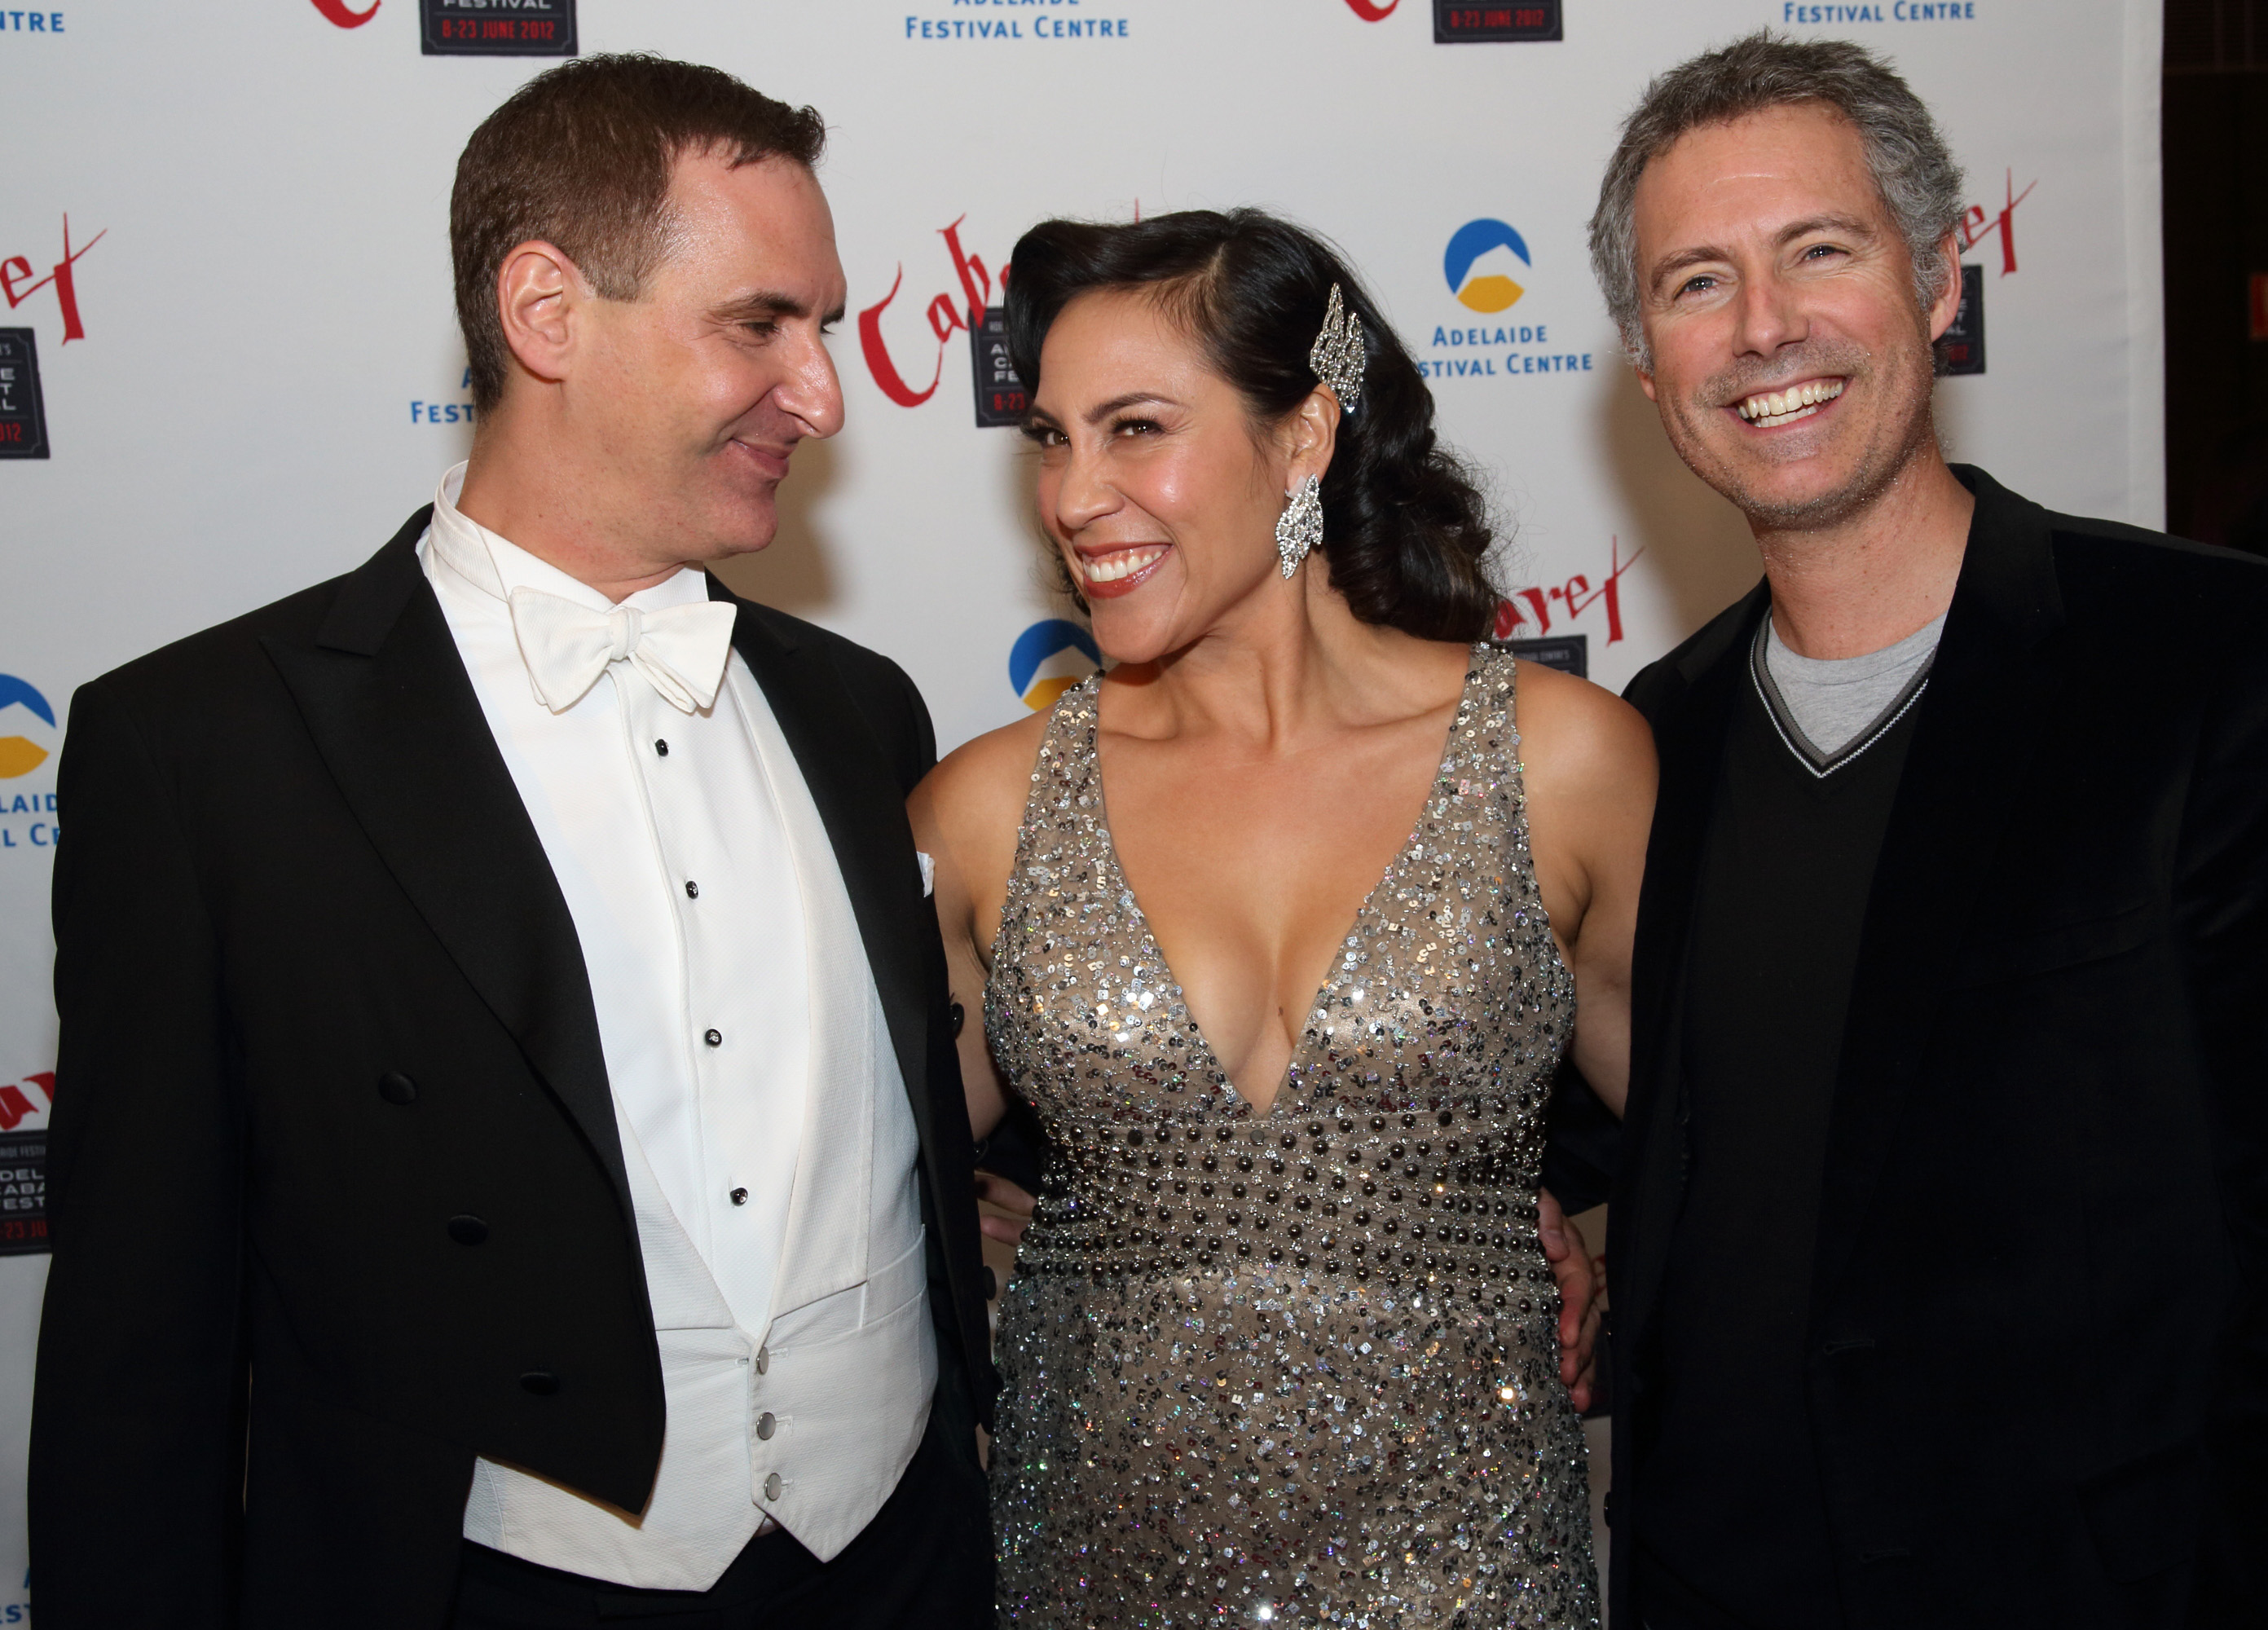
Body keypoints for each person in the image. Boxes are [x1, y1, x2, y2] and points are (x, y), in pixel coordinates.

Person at [29, 55, 993, 1630]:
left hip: (904, 1563)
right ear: (546, 311)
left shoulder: (859, 707)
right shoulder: (205, 751)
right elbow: (139, 1346)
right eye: (761, 324)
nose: (825, 396)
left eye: (821, 327)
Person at [1579, 31, 2268, 1629]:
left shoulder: (2205, 664)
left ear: (1942, 279)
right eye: (1697, 282)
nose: (1765, 326)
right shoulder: (1652, 738)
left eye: (1820, 250)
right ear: (1647, 365)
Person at [912, 209, 1655, 1627]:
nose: (1074, 496)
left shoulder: (1560, 763)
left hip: (1470, 1575)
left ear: (1305, 435)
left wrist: (1591, 1267)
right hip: (1095, 1572)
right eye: (1053, 439)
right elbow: (855, 1188)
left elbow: (1734, 1156)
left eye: (1136, 429)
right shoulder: (987, 808)